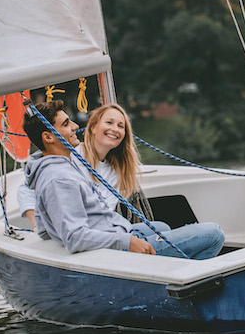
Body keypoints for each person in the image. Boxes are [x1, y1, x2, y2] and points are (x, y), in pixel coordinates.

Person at [20, 100, 224, 258]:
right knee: (214, 234)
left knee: (162, 227)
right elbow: (74, 237)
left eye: (121, 126)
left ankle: (171, 272)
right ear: (48, 137)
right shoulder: (59, 178)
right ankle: (181, 287)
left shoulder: (61, 163)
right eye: (66, 123)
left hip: (111, 232)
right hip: (115, 251)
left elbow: (55, 225)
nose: (75, 126)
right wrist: (126, 241)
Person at [19, 103, 153, 227]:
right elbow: (26, 189)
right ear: (93, 127)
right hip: (86, 236)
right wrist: (37, 225)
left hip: (103, 232)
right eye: (109, 122)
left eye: (120, 126)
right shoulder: (70, 155)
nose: (114, 129)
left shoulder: (117, 171)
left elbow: (104, 214)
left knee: (160, 227)